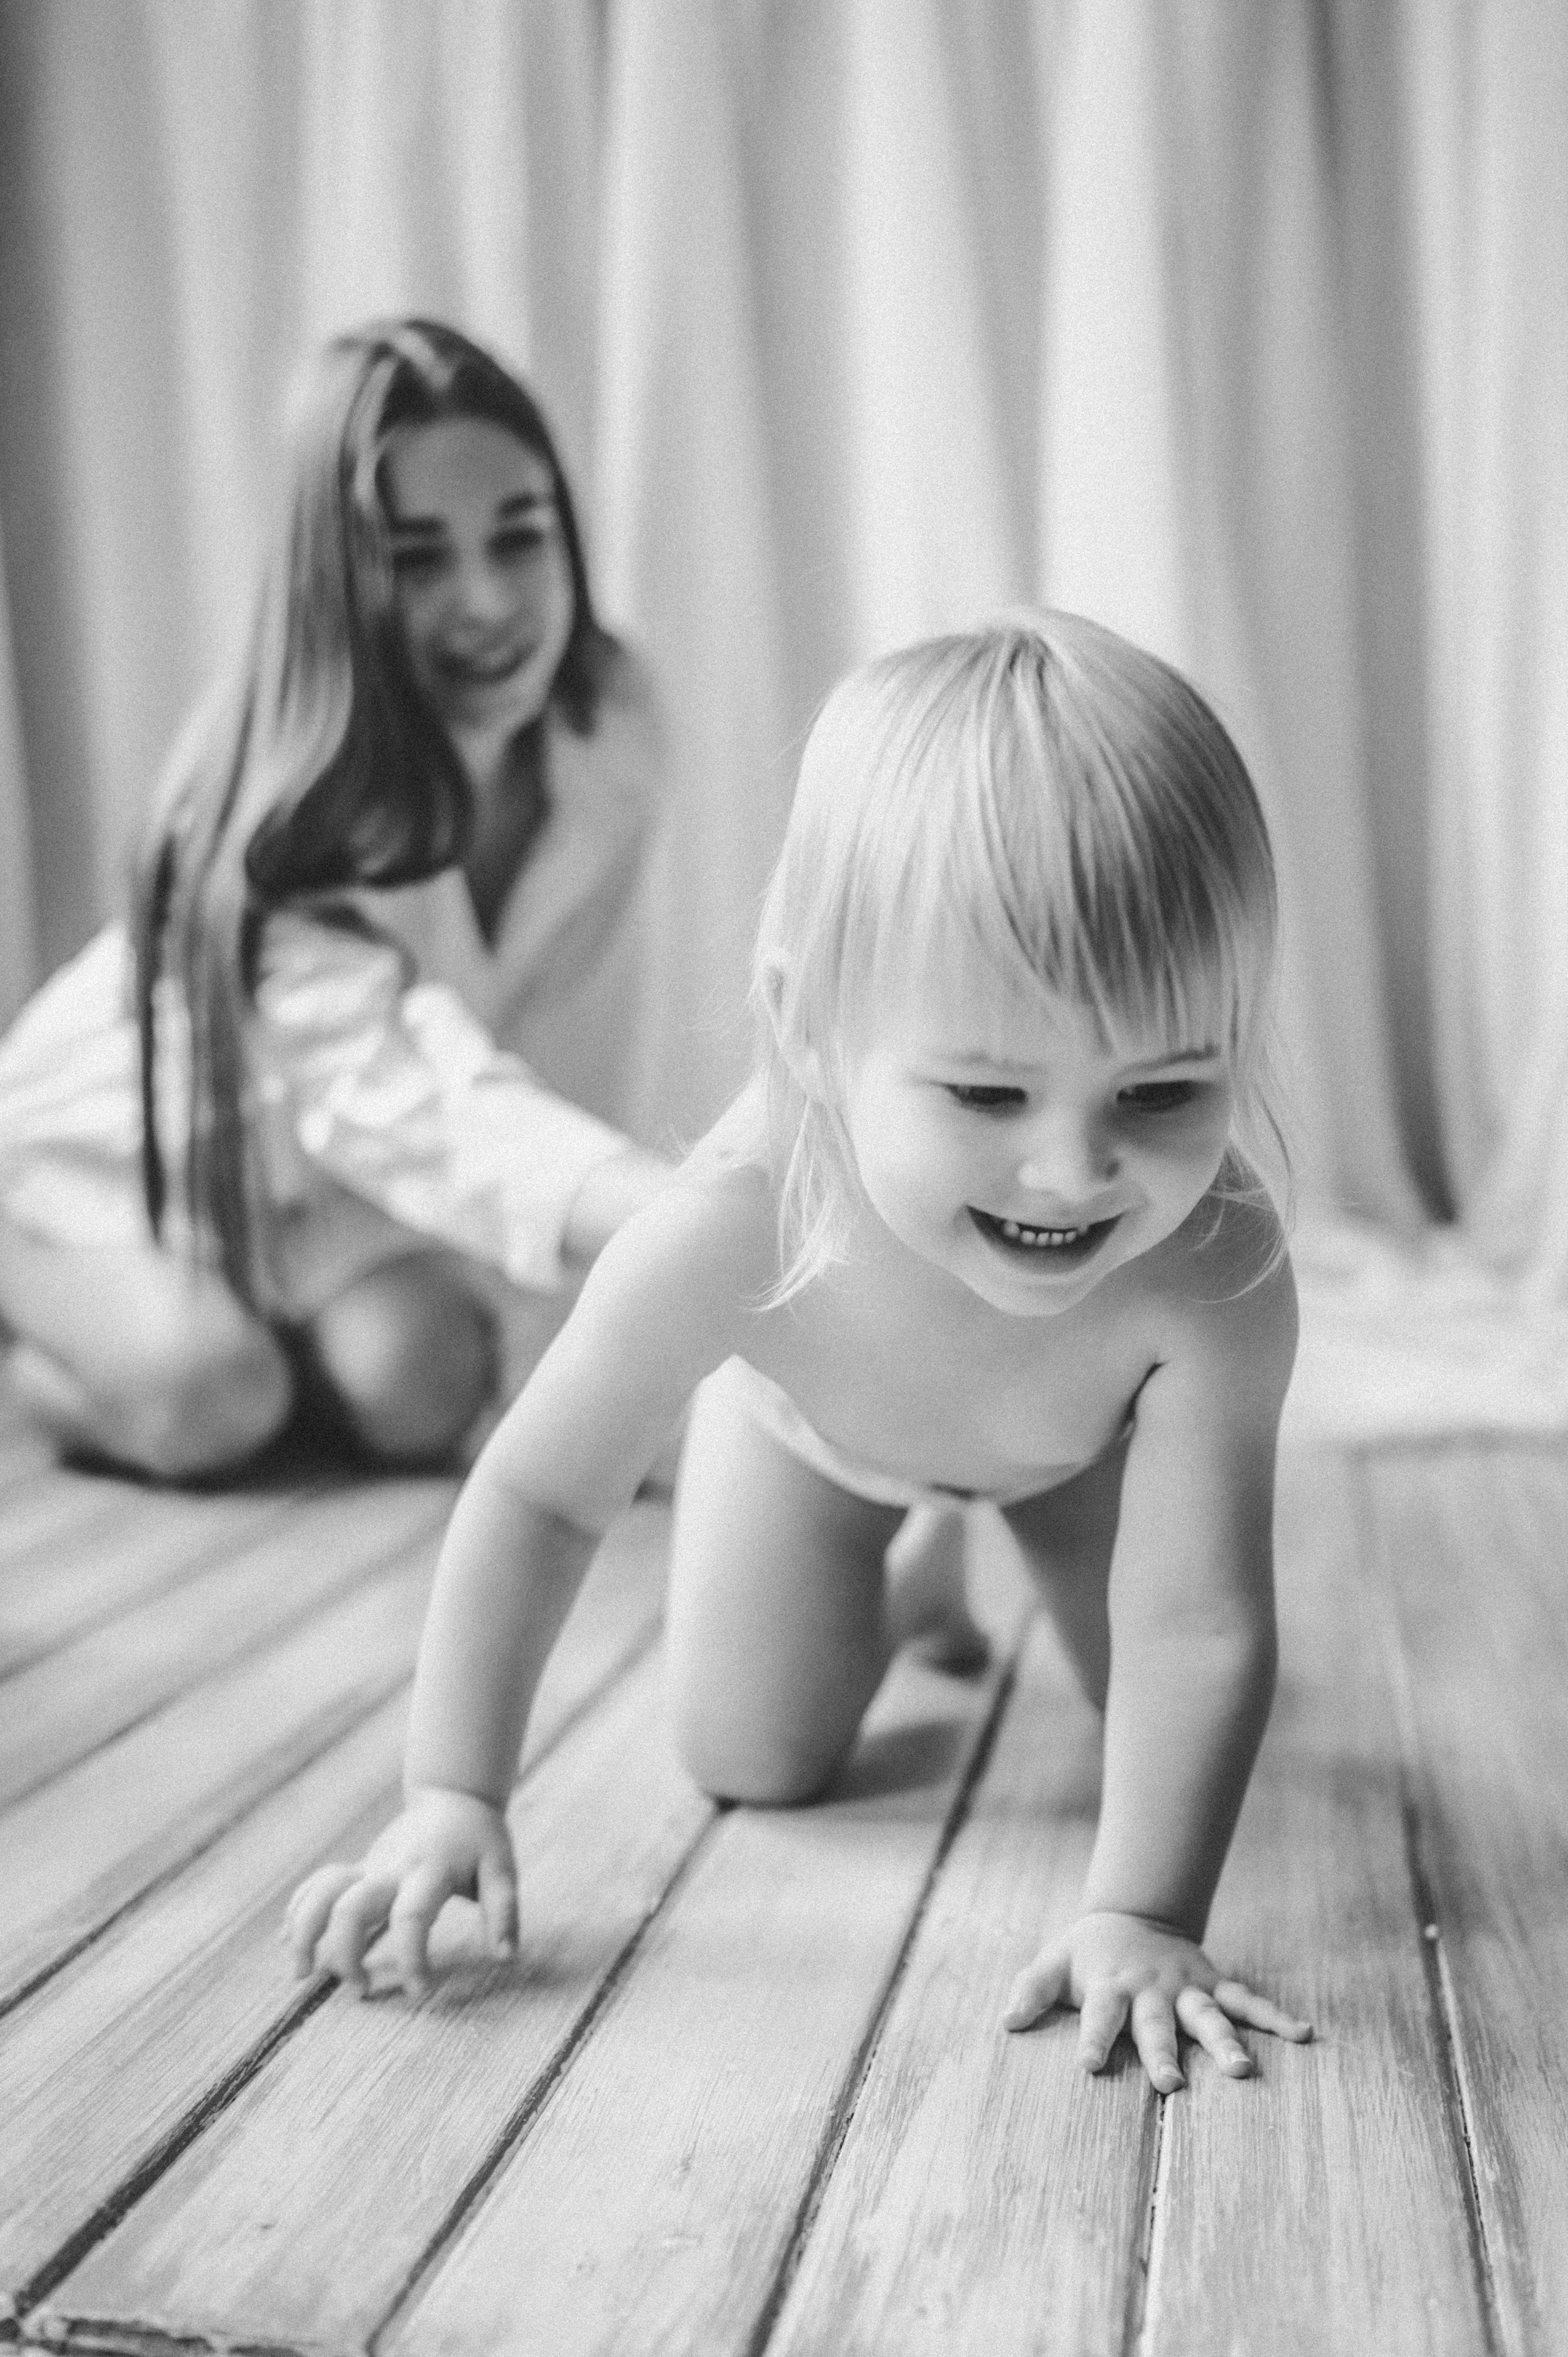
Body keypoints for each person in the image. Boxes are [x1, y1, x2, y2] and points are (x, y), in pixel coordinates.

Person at [286, 613, 1314, 2095]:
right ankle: (902, 1581)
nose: (1072, 1169)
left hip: (1084, 1445)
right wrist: (450, 1789)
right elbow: (538, 1496)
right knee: (753, 1760)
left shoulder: (1211, 1272)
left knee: (1137, 1704)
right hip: (815, 1435)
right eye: (983, 1090)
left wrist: (1141, 1916)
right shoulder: (735, 1220)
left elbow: (1201, 1628)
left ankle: (988, 1539)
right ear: (811, 1030)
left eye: (1160, 1089)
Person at [0, 319, 674, 1479]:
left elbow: (535, 1051)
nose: (484, 604)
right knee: (212, 1396)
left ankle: (259, 1323)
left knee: (421, 1379)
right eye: (416, 560)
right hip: (114, 1155)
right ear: (339, 584)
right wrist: (686, 1231)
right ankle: (43, 1304)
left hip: (319, 1167)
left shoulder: (609, 731)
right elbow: (418, 1102)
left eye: (519, 538)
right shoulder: (291, 824)